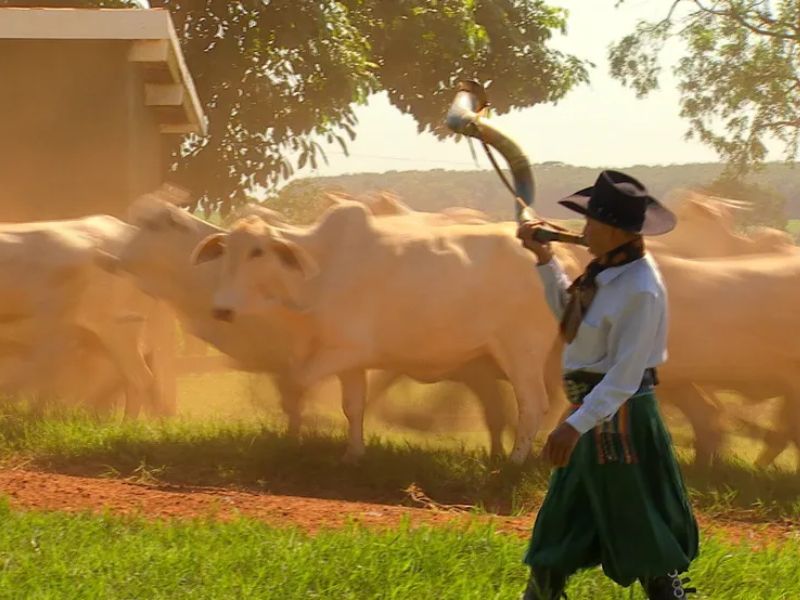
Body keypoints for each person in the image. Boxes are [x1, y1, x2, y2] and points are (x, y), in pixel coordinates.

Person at [516, 170, 699, 600]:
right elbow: (572, 317)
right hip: (590, 413)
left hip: (619, 418)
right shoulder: (606, 271)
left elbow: (625, 376)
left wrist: (574, 425)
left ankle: (662, 588)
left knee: (636, 514)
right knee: (570, 509)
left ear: (614, 230)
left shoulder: (641, 288)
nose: (583, 231)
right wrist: (544, 259)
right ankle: (543, 589)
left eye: (590, 222)